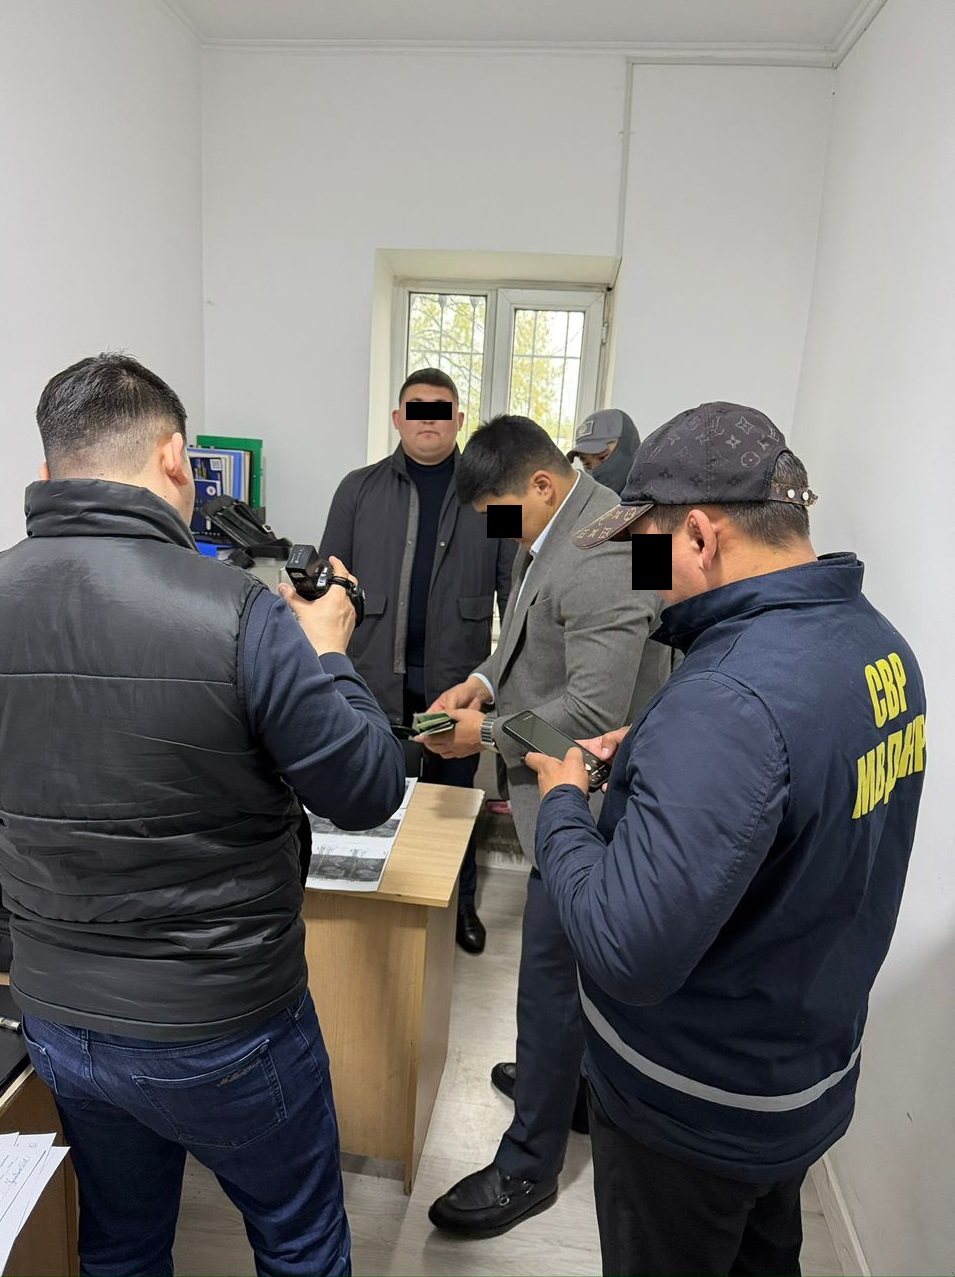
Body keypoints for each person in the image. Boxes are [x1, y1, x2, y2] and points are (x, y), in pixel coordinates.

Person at [0, 353, 406, 1277]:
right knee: (299, 1240)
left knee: (120, 1241)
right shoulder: (239, 614)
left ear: (52, 464)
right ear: (177, 457)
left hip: (59, 1016)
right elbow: (366, 788)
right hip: (225, 1022)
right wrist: (327, 651)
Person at [527, 401, 927, 1275]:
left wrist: (561, 801)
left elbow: (623, 949)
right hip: (794, 1077)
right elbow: (794, 802)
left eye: (648, 549)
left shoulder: (729, 698)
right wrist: (661, 753)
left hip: (692, 1107)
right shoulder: (879, 649)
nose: (646, 580)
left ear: (701, 535)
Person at [423, 415, 671, 1237]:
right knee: (568, 985)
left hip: (590, 804)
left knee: (549, 982)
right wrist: (482, 682)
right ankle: (566, 1091)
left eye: (501, 513)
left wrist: (483, 735)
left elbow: (594, 712)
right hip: (571, 787)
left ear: (540, 483)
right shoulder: (564, 520)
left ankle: (527, 1165)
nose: (499, 532)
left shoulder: (606, 551)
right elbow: (531, 637)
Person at [319, 368, 516, 954]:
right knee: (382, 796)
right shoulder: (358, 489)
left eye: (441, 410)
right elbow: (331, 583)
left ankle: (460, 903)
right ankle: (388, 907)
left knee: (455, 803)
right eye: (417, 409)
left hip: (454, 686)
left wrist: (502, 678)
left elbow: (517, 593)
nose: (428, 420)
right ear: (398, 419)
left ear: (459, 421)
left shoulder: (492, 495)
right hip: (375, 682)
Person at [567, 407, 641, 496]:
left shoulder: (654, 497)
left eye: (602, 457)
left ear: (628, 445)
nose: (594, 470)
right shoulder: (585, 500)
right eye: (587, 464)